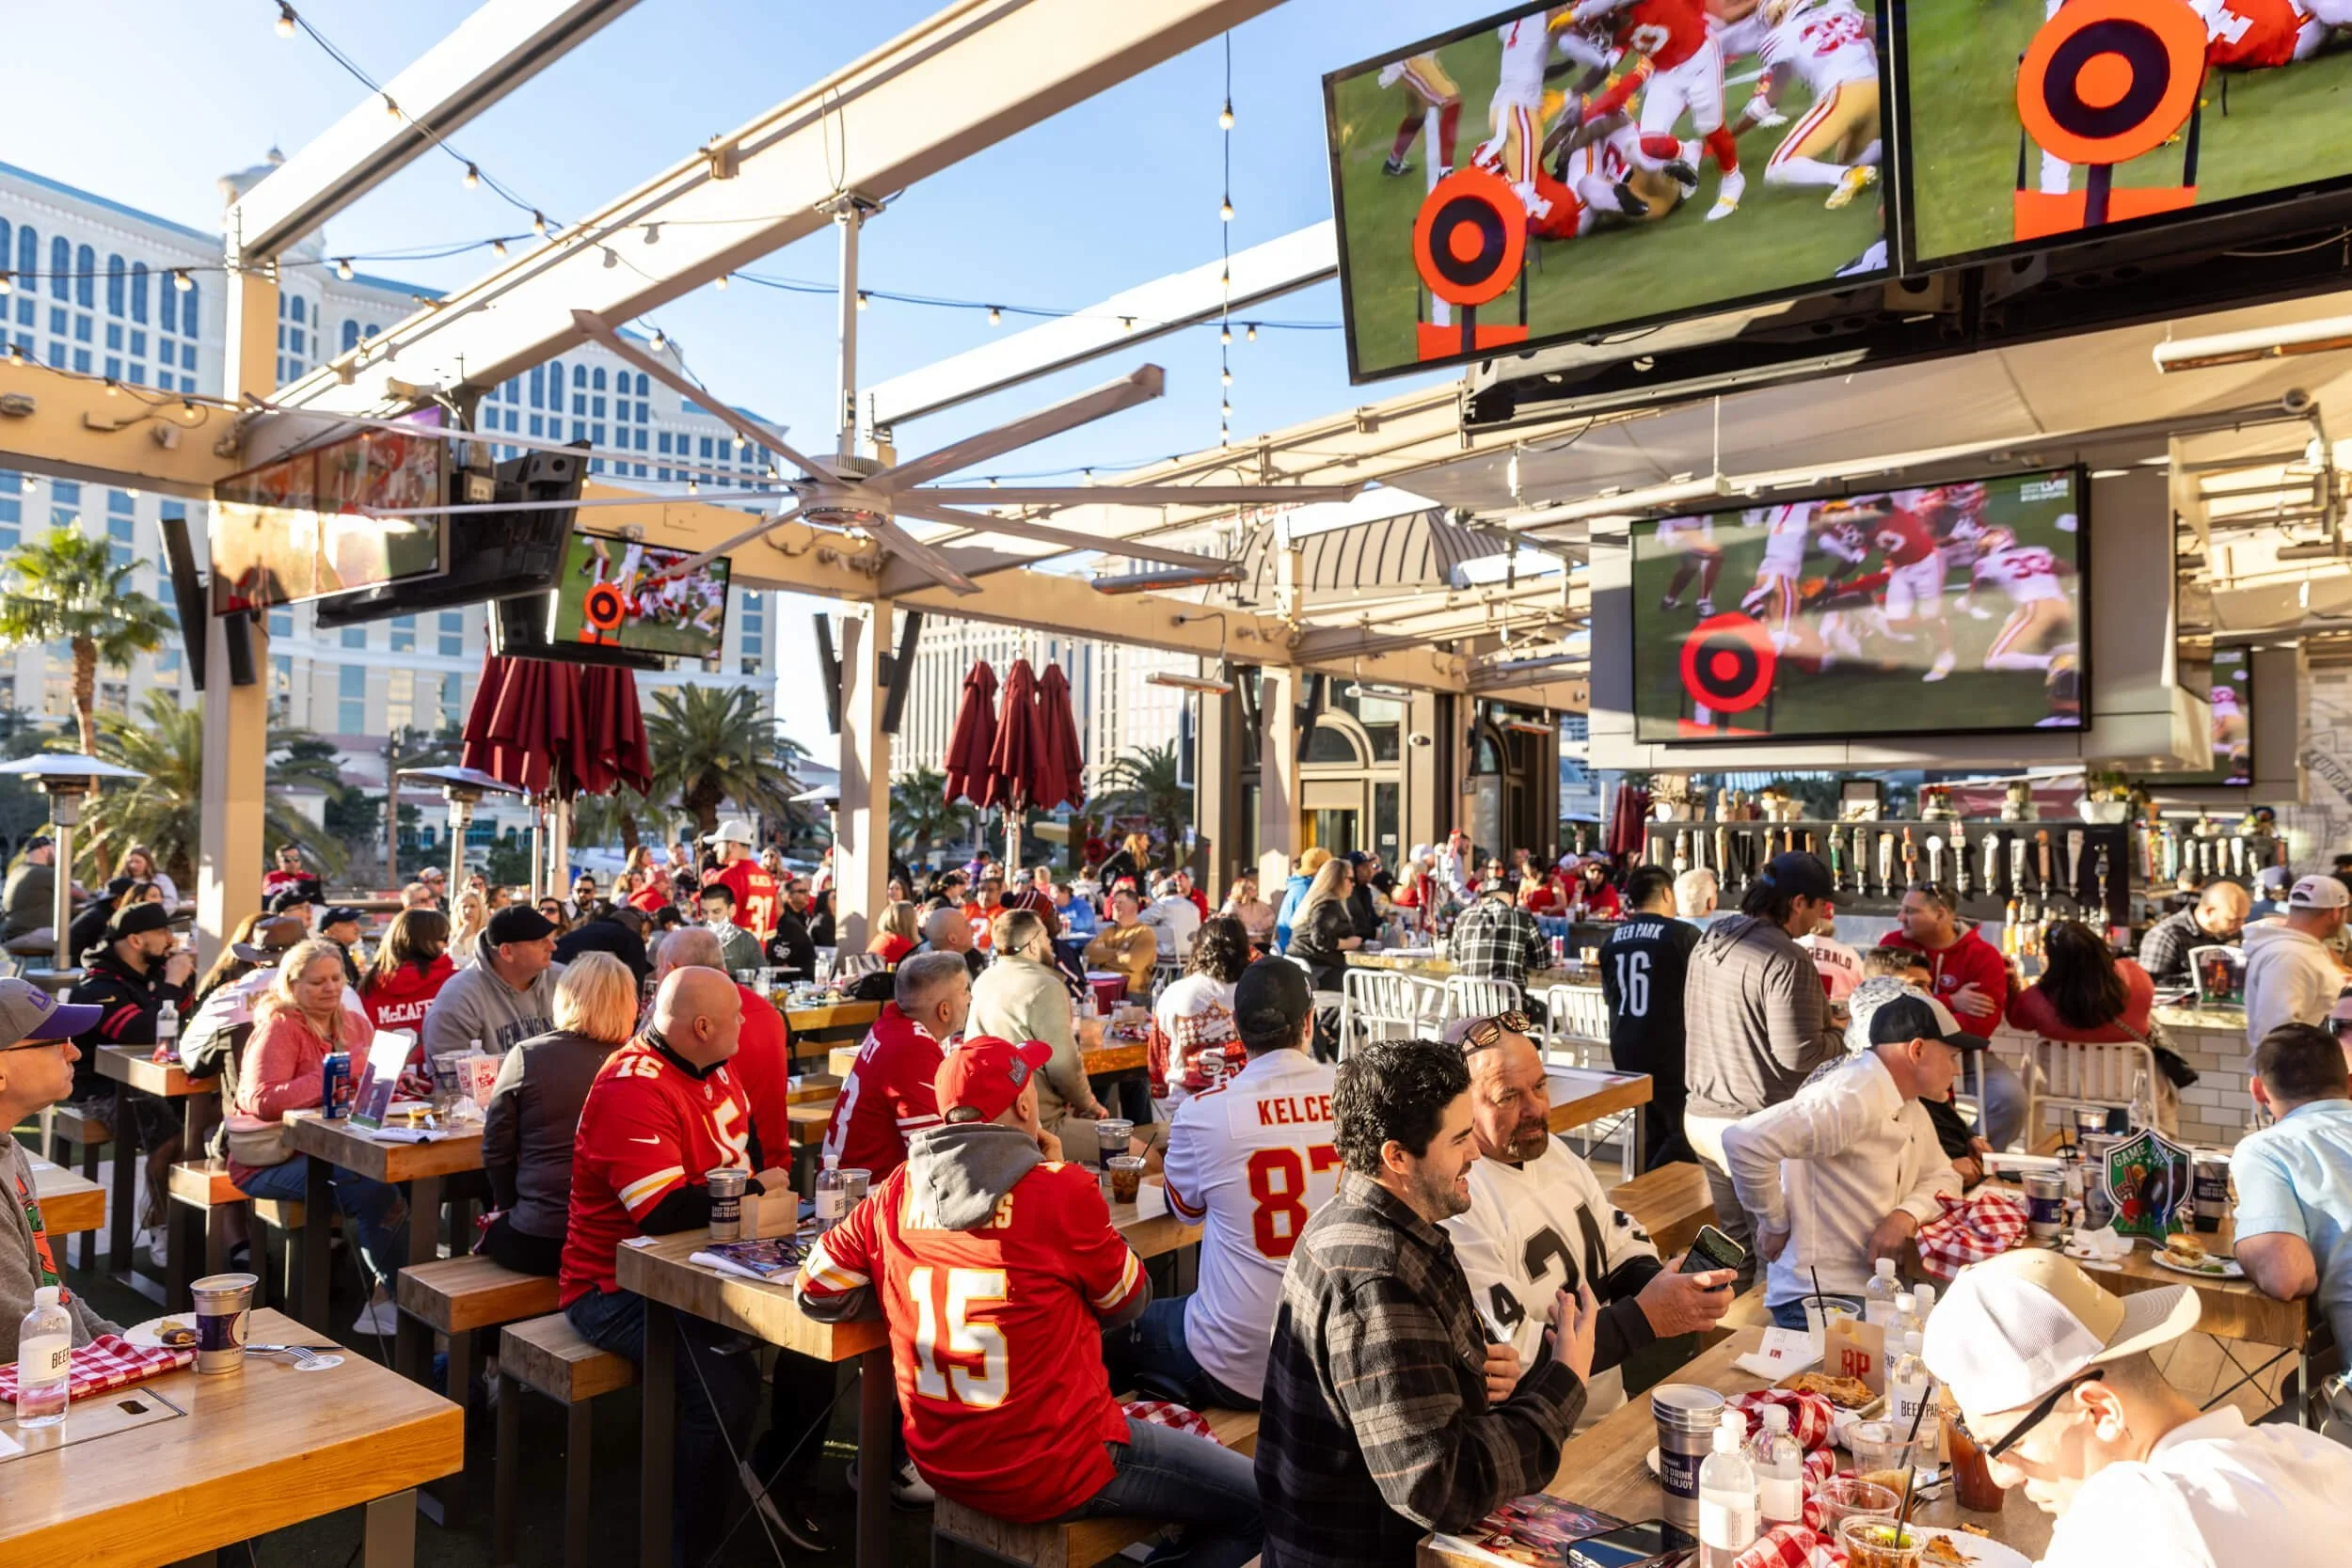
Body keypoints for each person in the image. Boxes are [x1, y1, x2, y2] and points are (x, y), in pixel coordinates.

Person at [798, 1036, 1263, 1568]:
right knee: (1265, 1505)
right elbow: (1129, 1300)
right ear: (1025, 1106)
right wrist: (1061, 1178)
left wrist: (898, 1289)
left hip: (941, 1460)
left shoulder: (894, 1191)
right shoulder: (1060, 1190)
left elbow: (814, 1290)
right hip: (1057, 1465)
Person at [1254, 1037, 1597, 1568]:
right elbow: (1441, 1487)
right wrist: (1564, 1382)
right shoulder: (1378, 1281)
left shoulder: (1364, 1225)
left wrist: (1471, 1371)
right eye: (1460, 1138)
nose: (1476, 1153)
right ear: (1397, 1157)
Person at [562, 967, 819, 1560]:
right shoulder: (631, 1082)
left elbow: (744, 1158)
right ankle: (692, 1548)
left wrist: (756, 1191)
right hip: (612, 1287)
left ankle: (780, 1479)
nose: (746, 1022)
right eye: (736, 1015)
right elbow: (659, 1211)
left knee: (822, 1324)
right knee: (726, 1387)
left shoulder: (714, 1065)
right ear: (702, 1027)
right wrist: (756, 1189)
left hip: (711, 1262)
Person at [1922, 1247, 2352, 1568]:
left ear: (2101, 1411)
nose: (2001, 1476)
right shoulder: (2314, 1454)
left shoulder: (2134, 1515)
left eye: (2004, 1446)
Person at [1445, 1012, 1733, 1426]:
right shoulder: (1459, 1198)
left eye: (1540, 1086)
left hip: (1608, 1413)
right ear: (1460, 1107)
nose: (1535, 1108)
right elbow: (1519, 1355)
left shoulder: (1551, 1151)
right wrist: (1648, 1316)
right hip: (1538, 1443)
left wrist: (1667, 1284)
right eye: (1508, 1097)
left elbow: (1612, 1239)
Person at [1721, 991, 1969, 1327]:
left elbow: (1945, 1176)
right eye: (1952, 1055)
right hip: (1818, 1297)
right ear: (1917, 1050)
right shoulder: (1850, 1096)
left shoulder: (1908, 1103)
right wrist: (1774, 1222)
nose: (1956, 1069)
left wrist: (1904, 1216)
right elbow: (1744, 1141)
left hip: (1870, 1291)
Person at [227, 940, 408, 1335]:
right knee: (374, 1189)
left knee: (405, 1176)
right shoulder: (279, 1026)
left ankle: (387, 1296)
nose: (329, 988)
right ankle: (403, 1302)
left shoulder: (354, 1023)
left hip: (339, 1148)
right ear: (291, 986)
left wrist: (397, 1082)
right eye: (316, 982)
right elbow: (260, 1101)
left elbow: (371, 1087)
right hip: (268, 1160)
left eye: (336, 979)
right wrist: (338, 1071)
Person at [1681, 851, 1843, 1291]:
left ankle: (1695, 1339)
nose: (1820, 918)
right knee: (1779, 1261)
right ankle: (1756, 1351)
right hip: (1753, 1130)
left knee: (1729, 1254)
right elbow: (1800, 1055)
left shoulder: (1713, 936)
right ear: (1798, 903)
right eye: (1820, 907)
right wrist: (1840, 1032)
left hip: (1701, 1118)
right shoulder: (1787, 958)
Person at [481, 953, 640, 1277]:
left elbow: (496, 1150)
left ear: (565, 997)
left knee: (489, 1235)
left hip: (544, 1234)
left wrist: (509, 1203)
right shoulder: (639, 1062)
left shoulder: (528, 1056)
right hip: (621, 1240)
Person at [0, 977, 114, 1361]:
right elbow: (17, 1336)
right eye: (56, 1043)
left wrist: (126, 1344)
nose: (75, 1053)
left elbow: (50, 1290)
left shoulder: (8, 1143)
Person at [2232, 1022, 2352, 1379]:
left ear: (2258, 1090)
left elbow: (2286, 1276)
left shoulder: (2270, 1147)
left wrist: (2246, 1242)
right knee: (2298, 1388)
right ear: (2348, 1080)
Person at [972, 909, 1131, 1157]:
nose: (1051, 944)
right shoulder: (1044, 986)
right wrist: (1090, 1104)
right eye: (1046, 937)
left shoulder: (984, 980)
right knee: (1144, 1158)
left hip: (992, 1122)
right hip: (1039, 1126)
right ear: (1033, 945)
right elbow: (1063, 1066)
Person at [820, 949, 971, 1181]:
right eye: (965, 991)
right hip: (866, 1194)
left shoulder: (893, 1020)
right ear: (944, 1010)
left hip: (848, 1177)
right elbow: (935, 1153)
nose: (970, 999)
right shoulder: (913, 1048)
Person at [652, 927, 797, 1166]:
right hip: (775, 1163)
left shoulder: (685, 1027)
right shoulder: (768, 1012)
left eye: (658, 968)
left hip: (727, 1178)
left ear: (671, 971)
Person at [1598, 866, 1698, 1170]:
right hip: (1671, 1049)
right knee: (1686, 1132)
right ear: (1668, 894)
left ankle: (1645, 1193)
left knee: (1647, 1131)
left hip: (1626, 1047)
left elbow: (1611, 996)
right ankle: (1658, 1192)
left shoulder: (1611, 941)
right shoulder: (1683, 935)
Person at [421, 905, 564, 1058]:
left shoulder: (565, 981)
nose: (552, 947)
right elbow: (451, 1077)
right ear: (506, 952)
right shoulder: (458, 1001)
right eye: (539, 941)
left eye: (550, 939)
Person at [2244, 875, 2350, 1053]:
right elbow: (2278, 1032)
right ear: (2335, 913)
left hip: (2307, 1068)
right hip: (2292, 1075)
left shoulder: (2303, 949)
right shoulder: (2288, 956)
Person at [1152, 916, 1248, 1092]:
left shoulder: (1176, 992)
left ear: (1199, 949)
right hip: (1244, 1098)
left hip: (1188, 1103)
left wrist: (1161, 1089)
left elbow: (1159, 1052)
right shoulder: (1258, 992)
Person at [1287, 858, 1363, 1055]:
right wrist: (1349, 943)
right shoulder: (1327, 903)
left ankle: (1326, 1033)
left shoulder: (1317, 900)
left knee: (1356, 985)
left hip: (1307, 969)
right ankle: (1329, 1033)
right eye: (1350, 879)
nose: (1353, 884)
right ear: (1337, 880)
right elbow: (1320, 939)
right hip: (1316, 972)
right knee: (1361, 987)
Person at [1446, 868, 1549, 1004]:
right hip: (1510, 1016)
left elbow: (1455, 959)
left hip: (1471, 1013)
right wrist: (1520, 958)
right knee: (1545, 1014)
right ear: (1511, 898)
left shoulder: (1463, 919)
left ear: (1482, 899)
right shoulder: (1523, 919)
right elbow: (1543, 962)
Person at [358, 908, 454, 1038]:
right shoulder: (453, 982)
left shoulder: (368, 987)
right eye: (444, 938)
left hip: (386, 1059)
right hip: (440, 1058)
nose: (448, 944)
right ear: (424, 942)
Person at [2138, 880, 2251, 985]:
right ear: (2209, 912)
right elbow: (2150, 984)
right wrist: (2205, 977)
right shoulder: (2167, 935)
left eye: (2243, 919)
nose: (2240, 925)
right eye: (2233, 920)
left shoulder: (2232, 932)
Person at [700, 817, 780, 947]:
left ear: (732, 845)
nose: (715, 849)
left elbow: (715, 927)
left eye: (719, 843)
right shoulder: (767, 878)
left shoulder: (726, 877)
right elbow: (770, 931)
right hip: (757, 958)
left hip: (730, 958)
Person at [553, 901, 653, 989]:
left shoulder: (583, 931)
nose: (646, 939)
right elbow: (635, 984)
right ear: (635, 929)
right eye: (643, 933)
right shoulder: (630, 938)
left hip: (559, 982)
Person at [1084, 889, 1160, 1000]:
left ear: (1133, 908)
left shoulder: (1144, 933)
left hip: (1131, 993)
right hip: (1103, 988)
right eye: (1114, 902)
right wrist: (1117, 953)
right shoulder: (1109, 931)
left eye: (1120, 903)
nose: (1114, 906)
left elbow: (1134, 963)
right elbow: (1088, 953)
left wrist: (1104, 959)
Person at [695, 880, 764, 977]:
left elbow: (760, 977)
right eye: (704, 912)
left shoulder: (746, 941)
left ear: (732, 910)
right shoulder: (689, 937)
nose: (709, 918)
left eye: (716, 911)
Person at [1274, 846, 1334, 952]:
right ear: (1322, 869)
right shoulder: (1305, 890)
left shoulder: (1300, 886)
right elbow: (1312, 930)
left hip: (1294, 948)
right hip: (1297, 951)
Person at [1, 834, 58, 942]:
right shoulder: (44, 873)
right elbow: (80, 895)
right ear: (44, 850)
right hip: (29, 933)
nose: (57, 854)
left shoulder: (16, 872)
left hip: (9, 934)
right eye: (54, 849)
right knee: (73, 938)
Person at [1139, 875, 1202, 963]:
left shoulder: (1163, 903)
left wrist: (1150, 907)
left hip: (1168, 954)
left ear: (1161, 893)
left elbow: (1139, 920)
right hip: (1191, 954)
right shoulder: (1194, 907)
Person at [770, 875, 819, 981]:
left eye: (807, 891)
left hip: (800, 979)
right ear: (787, 896)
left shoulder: (793, 923)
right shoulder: (784, 920)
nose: (807, 895)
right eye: (801, 891)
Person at [919, 903, 985, 982]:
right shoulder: (926, 976)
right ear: (953, 939)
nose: (974, 928)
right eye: (967, 925)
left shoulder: (972, 955)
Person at [114, 845, 179, 909]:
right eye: (130, 862)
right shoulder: (121, 881)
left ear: (148, 862)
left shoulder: (161, 879)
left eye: (138, 862)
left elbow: (170, 902)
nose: (133, 866)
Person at [317, 906, 367, 987]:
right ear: (329, 932)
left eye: (355, 922)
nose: (357, 927)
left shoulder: (337, 950)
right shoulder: (328, 953)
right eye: (349, 924)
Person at [260, 843, 323, 907]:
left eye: (296, 859)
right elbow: (277, 902)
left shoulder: (308, 878)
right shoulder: (272, 878)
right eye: (287, 860)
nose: (293, 863)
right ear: (278, 861)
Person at [866, 899, 919, 965]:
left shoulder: (881, 938)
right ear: (908, 922)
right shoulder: (900, 944)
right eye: (915, 918)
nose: (917, 921)